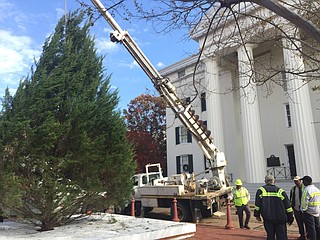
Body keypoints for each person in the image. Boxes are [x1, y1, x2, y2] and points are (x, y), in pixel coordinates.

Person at [254, 174, 294, 240]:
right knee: (282, 237)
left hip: (268, 218)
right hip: (281, 218)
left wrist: (257, 215)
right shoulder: (280, 191)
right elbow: (288, 207)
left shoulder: (260, 191)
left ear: (265, 181)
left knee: (270, 236)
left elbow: (257, 205)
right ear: (273, 181)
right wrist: (290, 218)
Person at [300, 175, 320, 240]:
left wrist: (303, 210)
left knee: (311, 229)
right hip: (316, 211)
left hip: (309, 212)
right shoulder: (317, 189)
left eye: (303, 181)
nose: (302, 182)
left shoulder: (307, 190)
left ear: (306, 182)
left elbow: (304, 202)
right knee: (317, 227)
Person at [290, 176, 306, 240]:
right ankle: (302, 235)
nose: (296, 182)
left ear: (300, 180)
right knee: (299, 223)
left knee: (306, 223)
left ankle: (308, 234)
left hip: (304, 209)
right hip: (296, 208)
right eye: (295, 181)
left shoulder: (304, 188)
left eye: (297, 181)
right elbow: (291, 198)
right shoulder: (293, 188)